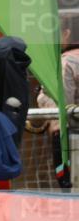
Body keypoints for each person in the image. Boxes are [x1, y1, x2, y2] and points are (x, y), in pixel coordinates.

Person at [36, 14, 78, 190]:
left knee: (69, 188)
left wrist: (43, 96)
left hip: (67, 137)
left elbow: (64, 103)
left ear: (66, 34)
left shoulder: (65, 62)